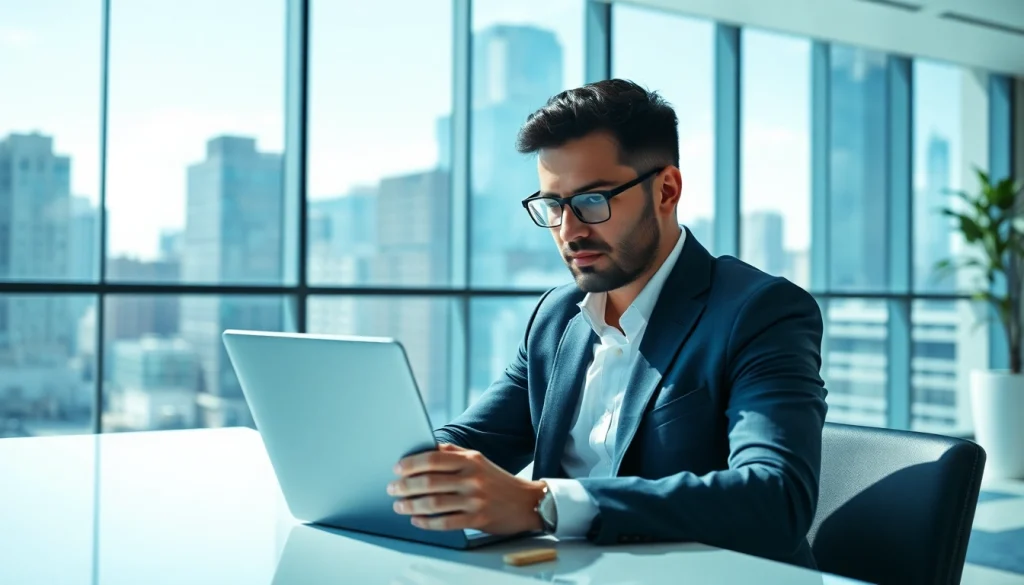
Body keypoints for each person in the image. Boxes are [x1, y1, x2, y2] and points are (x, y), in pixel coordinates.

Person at [385, 79, 828, 570]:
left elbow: (776, 497)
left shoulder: (760, 312)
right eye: (553, 206)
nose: (570, 231)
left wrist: (542, 505)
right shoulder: (556, 318)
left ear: (666, 190)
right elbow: (475, 440)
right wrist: (405, 470)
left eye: (593, 201)